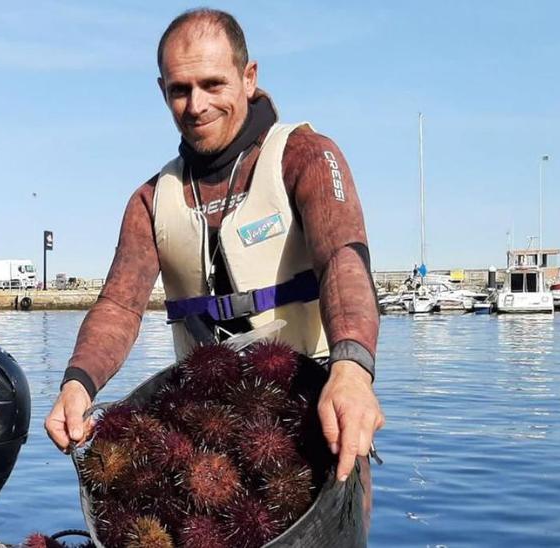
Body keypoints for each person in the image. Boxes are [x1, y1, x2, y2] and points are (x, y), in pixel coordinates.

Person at [45, 8, 384, 487]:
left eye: (213, 84)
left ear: (249, 78)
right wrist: (78, 383)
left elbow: (342, 261)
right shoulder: (149, 199)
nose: (196, 105)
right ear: (161, 90)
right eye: (179, 90)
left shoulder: (306, 156)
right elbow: (120, 305)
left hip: (311, 411)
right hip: (204, 426)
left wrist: (352, 370)